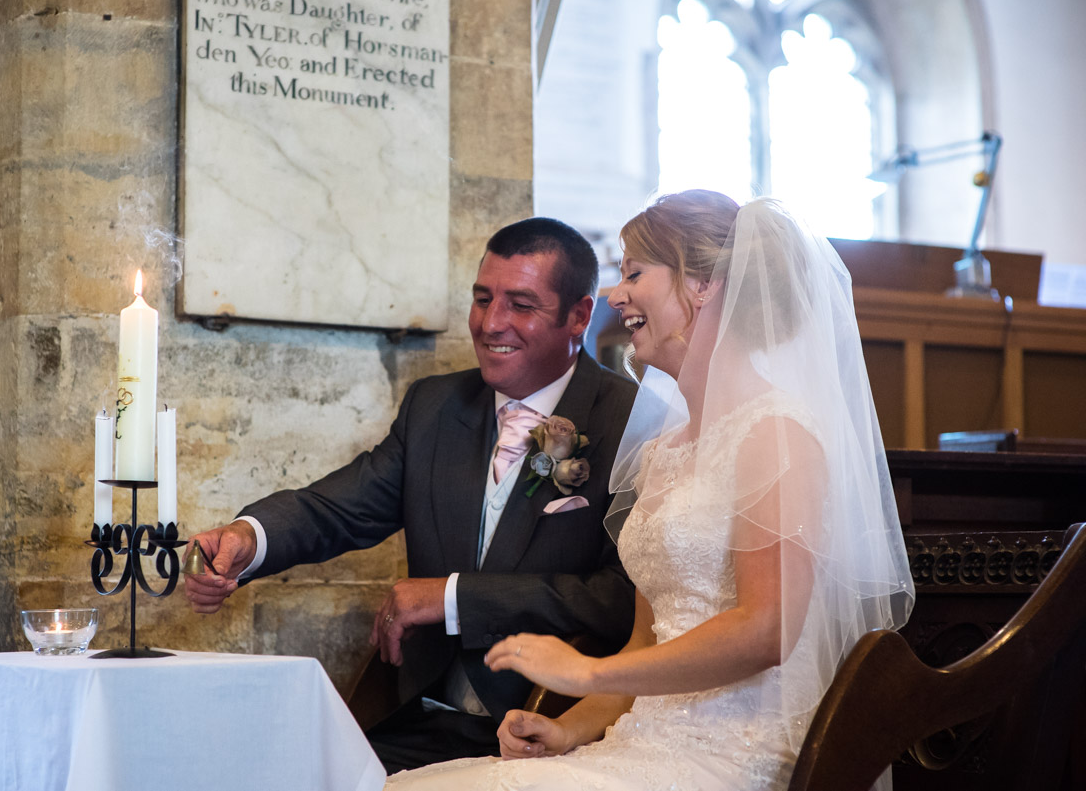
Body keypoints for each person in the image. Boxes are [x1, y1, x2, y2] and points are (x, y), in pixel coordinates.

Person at [386, 190, 915, 791]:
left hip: (741, 758)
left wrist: (585, 672)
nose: (617, 296)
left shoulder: (777, 434)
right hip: (644, 745)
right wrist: (569, 729)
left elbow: (768, 630)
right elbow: (647, 642)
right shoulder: (665, 451)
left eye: (635, 272)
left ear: (703, 284)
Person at [183, 217, 638, 773]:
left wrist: (449, 598)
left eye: (521, 304)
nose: (491, 323)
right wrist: (247, 539)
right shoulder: (436, 406)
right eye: (482, 298)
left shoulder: (631, 420)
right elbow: (338, 507)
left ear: (579, 316)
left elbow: (620, 597)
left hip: (548, 724)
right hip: (415, 714)